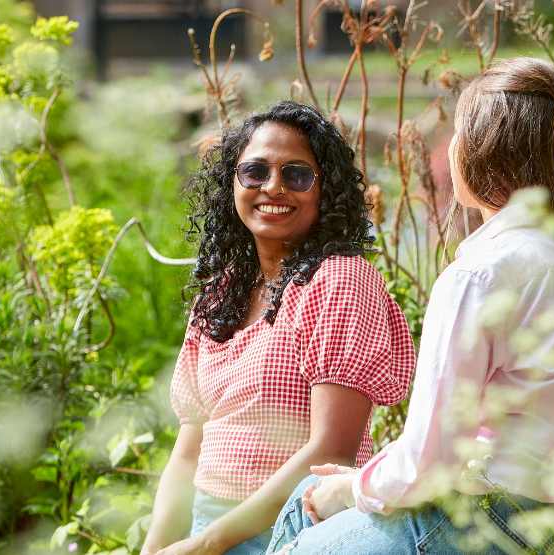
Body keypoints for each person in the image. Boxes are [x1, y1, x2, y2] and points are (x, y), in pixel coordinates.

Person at [265, 57, 554, 554]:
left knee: (303, 529)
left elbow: (430, 461)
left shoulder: (480, 274)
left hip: (495, 521)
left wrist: (355, 489)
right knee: (305, 499)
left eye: (459, 131)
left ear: (486, 154)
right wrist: (362, 482)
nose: (452, 145)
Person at [141, 101, 418, 555]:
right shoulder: (220, 294)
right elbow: (188, 452)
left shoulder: (339, 281)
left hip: (300, 529)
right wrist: (154, 551)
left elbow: (331, 451)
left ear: (325, 190)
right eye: (255, 172)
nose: (273, 187)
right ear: (233, 182)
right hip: (207, 527)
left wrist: (207, 545)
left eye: (297, 175)